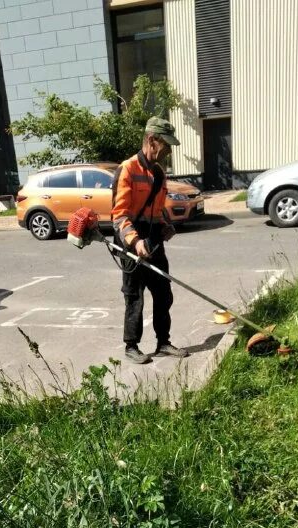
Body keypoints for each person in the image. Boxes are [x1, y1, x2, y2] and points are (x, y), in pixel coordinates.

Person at [111, 117, 190, 365]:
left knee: (163, 293)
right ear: (151, 140)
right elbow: (119, 215)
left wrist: (165, 225)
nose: (168, 151)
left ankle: (163, 342)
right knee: (134, 296)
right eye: (165, 145)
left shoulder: (159, 172)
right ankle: (131, 346)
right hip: (131, 240)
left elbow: (157, 209)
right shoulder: (127, 169)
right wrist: (135, 241)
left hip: (153, 238)